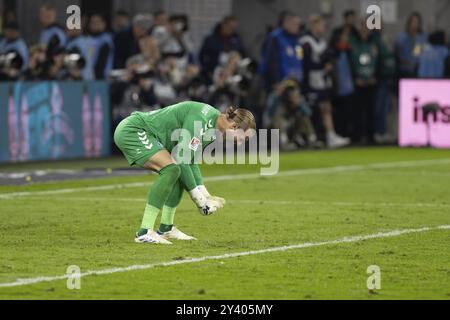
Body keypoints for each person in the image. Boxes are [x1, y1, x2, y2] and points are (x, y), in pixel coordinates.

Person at [114, 101, 256, 244]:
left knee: (179, 172)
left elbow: (190, 161)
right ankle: (144, 232)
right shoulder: (201, 119)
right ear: (235, 127)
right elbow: (181, 159)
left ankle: (166, 228)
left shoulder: (213, 130)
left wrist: (207, 196)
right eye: (242, 139)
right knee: (172, 169)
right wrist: (200, 202)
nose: (239, 143)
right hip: (134, 130)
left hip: (147, 134)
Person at [300, 14, 350, 148]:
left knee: (326, 107)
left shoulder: (321, 42)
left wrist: (327, 63)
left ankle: (330, 135)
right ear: (314, 25)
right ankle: (309, 136)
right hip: (311, 80)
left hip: (322, 80)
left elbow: (329, 55)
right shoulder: (306, 42)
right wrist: (322, 65)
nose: (323, 28)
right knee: (309, 110)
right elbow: (307, 63)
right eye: (321, 25)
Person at [349, 19, 379, 144]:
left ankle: (370, 136)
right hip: (358, 81)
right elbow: (350, 62)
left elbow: (379, 61)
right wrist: (355, 78)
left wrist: (375, 77)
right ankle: (356, 136)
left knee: (371, 110)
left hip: (371, 81)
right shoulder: (353, 43)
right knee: (357, 110)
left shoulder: (374, 43)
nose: (364, 30)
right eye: (362, 27)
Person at [199, 15, 246, 83]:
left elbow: (243, 54)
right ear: (224, 25)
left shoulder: (237, 40)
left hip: (232, 70)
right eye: (230, 27)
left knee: (235, 57)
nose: (232, 30)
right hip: (214, 70)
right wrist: (208, 70)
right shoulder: (210, 39)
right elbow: (202, 57)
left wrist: (235, 55)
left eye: (234, 28)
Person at [395, 12, 427, 78]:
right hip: (403, 69)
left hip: (417, 70)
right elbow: (399, 52)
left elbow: (417, 54)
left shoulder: (421, 37)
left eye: (417, 22)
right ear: (409, 23)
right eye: (413, 22)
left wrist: (415, 38)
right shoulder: (402, 36)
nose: (415, 24)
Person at [88, 14, 114, 79]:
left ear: (103, 24)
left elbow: (101, 64)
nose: (94, 24)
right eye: (92, 22)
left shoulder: (106, 40)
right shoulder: (86, 39)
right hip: (87, 78)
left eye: (97, 22)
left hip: (101, 78)